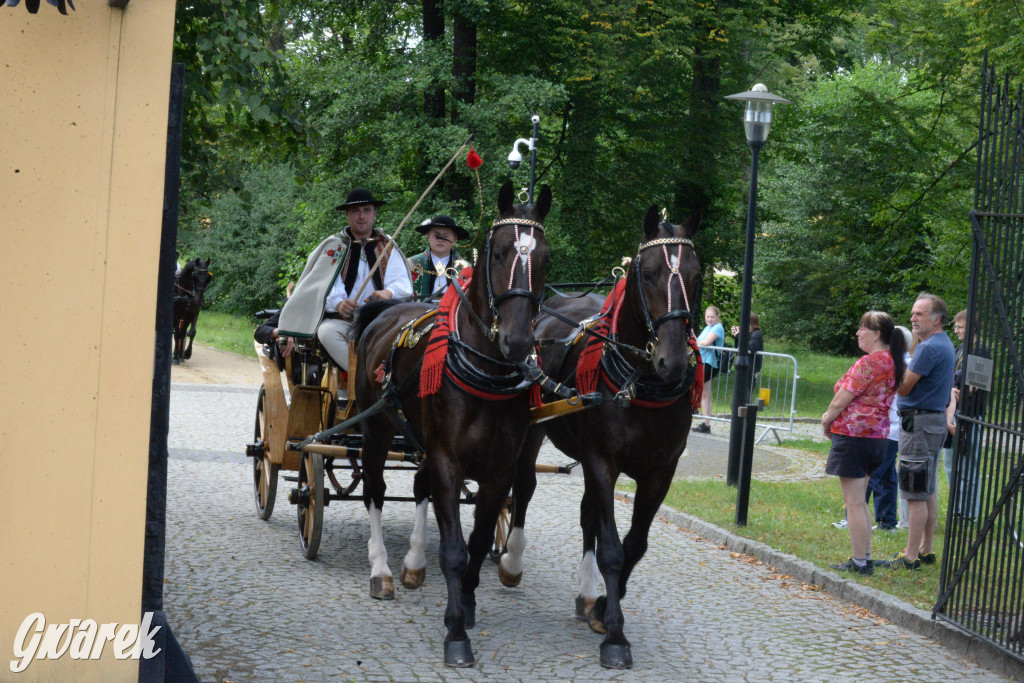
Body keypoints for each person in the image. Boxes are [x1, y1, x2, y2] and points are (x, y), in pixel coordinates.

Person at [277, 187, 413, 371]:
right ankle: (363, 377)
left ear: (374, 213)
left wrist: (387, 293)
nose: (361, 216)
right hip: (343, 322)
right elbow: (323, 284)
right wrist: (340, 304)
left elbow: (401, 283)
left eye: (366, 210)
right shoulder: (334, 246)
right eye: (355, 211)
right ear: (347, 215)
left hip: (381, 320)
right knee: (326, 332)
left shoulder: (387, 246)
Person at [822, 311, 907, 576]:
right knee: (861, 501)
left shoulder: (868, 363)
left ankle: (860, 562)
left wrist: (826, 420)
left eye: (862, 328)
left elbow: (841, 400)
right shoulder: (894, 362)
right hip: (878, 440)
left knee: (855, 503)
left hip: (854, 437)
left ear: (877, 333)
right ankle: (865, 558)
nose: (858, 333)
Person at [877, 293, 955, 571]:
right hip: (930, 422)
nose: (913, 319)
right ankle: (926, 549)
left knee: (914, 488)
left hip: (918, 423)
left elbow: (904, 388)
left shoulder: (928, 348)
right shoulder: (945, 343)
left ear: (937, 319)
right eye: (913, 314)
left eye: (919, 314)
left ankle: (909, 557)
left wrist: (892, 368)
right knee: (927, 487)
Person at [942, 309, 984, 520]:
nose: (956, 330)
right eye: (956, 326)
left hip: (971, 414)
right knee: (950, 463)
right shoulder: (960, 349)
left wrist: (960, 393)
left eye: (960, 326)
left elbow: (975, 385)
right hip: (953, 410)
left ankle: (970, 513)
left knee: (968, 465)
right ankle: (957, 509)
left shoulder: (982, 351)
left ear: (972, 328)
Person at [408, 215, 471, 298]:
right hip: (419, 310)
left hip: (453, 310)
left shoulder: (466, 268)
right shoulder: (410, 264)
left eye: (445, 236)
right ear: (428, 236)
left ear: (455, 239)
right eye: (436, 235)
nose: (440, 240)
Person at [694, 306, 725, 434]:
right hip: (703, 362)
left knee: (697, 387)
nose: (709, 319)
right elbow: (699, 342)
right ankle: (706, 423)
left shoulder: (718, 327)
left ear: (717, 317)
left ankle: (694, 410)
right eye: (707, 317)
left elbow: (705, 342)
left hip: (709, 363)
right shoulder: (708, 327)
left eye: (712, 317)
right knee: (706, 393)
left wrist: (694, 341)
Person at [730, 312, 764, 382]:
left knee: (747, 390)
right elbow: (739, 349)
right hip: (744, 365)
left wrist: (739, 335)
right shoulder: (748, 333)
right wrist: (737, 337)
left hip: (752, 367)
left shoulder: (756, 333)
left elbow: (751, 347)